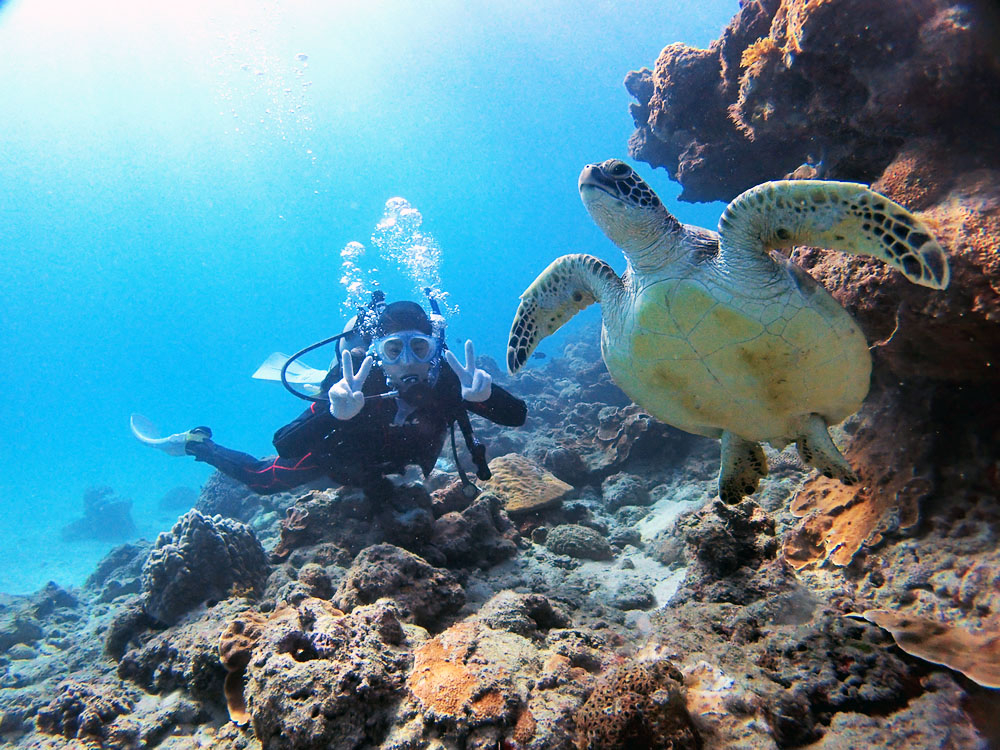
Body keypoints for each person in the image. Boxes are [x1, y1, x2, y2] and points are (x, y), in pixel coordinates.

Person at [135, 299, 527, 498]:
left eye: (419, 349)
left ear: (435, 348)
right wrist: (333, 412)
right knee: (261, 480)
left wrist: (487, 396)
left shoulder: (449, 380)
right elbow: (284, 444)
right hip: (343, 463)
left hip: (389, 467)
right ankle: (195, 444)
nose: (408, 361)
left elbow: (517, 417)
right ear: (375, 352)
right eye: (393, 350)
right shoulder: (356, 380)